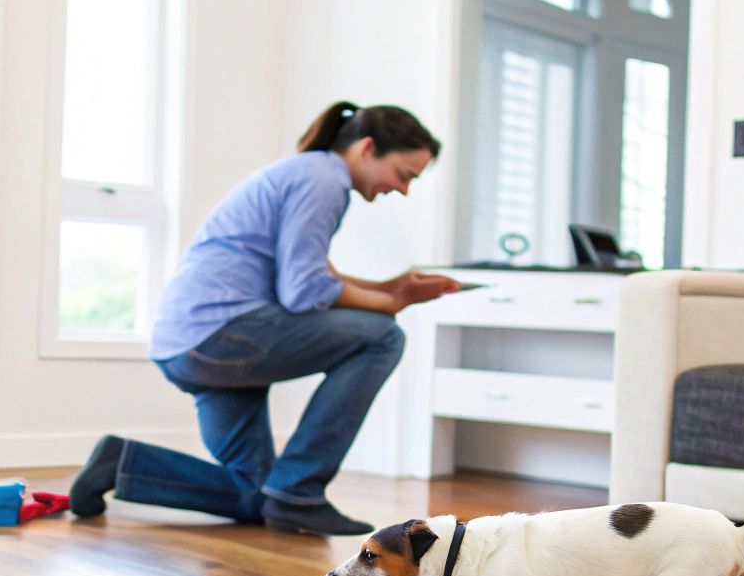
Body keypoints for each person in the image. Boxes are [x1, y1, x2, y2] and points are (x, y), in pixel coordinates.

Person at [70, 101, 459, 536]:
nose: (403, 189)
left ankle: (120, 463)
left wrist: (392, 288)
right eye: (404, 175)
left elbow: (313, 274)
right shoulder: (323, 181)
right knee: (383, 336)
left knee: (258, 495)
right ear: (367, 148)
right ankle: (302, 489)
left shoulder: (305, 172)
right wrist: (389, 305)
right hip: (221, 336)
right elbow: (305, 291)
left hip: (191, 343)